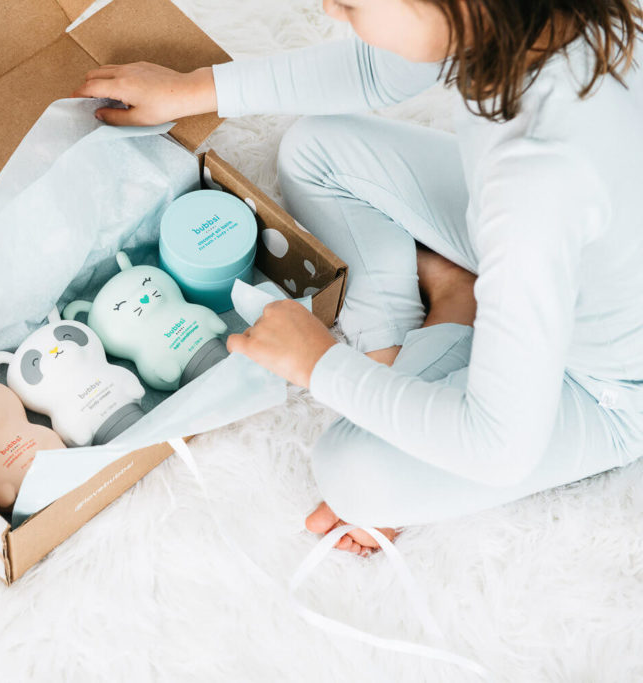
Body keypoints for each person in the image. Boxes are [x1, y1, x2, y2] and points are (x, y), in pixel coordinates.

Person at [71, 0, 643, 556]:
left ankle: (452, 305)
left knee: (353, 474)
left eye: (350, 2)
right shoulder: (525, 23)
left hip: (605, 384)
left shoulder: (537, 183)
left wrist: (318, 364)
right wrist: (192, 89)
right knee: (314, 150)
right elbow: (375, 69)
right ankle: (434, 318)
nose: (329, 10)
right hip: (545, 251)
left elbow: (499, 447)